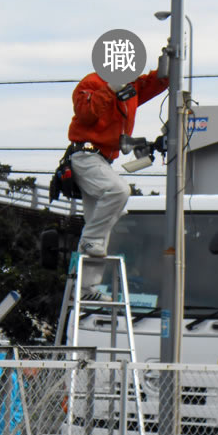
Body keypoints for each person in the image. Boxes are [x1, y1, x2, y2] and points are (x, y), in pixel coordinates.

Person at [67, 68, 168, 300]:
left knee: (102, 220)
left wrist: (168, 66)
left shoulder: (131, 86)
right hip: (85, 156)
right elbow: (85, 113)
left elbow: (152, 84)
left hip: (102, 159)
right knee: (118, 191)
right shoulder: (91, 82)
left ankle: (84, 289)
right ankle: (90, 242)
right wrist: (109, 89)